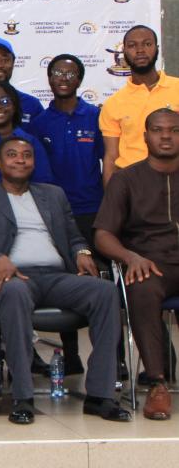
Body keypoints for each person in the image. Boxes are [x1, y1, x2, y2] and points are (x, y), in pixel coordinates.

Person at [0, 136, 130, 425]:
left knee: (104, 292)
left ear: (34, 162)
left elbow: (75, 237)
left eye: (27, 155)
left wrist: (82, 251)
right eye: (12, 155)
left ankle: (100, 395)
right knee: (13, 293)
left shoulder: (53, 194)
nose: (20, 160)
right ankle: (23, 397)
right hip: (15, 278)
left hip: (57, 276)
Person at [94, 108, 179, 420]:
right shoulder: (126, 179)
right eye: (158, 130)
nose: (166, 136)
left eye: (173, 130)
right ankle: (157, 384)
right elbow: (103, 235)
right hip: (151, 263)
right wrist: (131, 257)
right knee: (140, 286)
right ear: (145, 137)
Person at [30, 54, 104, 375]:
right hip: (55, 215)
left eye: (70, 73)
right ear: (49, 78)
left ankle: (111, 358)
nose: (63, 77)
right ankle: (70, 354)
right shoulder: (38, 124)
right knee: (65, 281)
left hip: (92, 211)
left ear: (80, 79)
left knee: (100, 282)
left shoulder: (96, 117)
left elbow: (108, 162)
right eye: (57, 72)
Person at [100, 25, 179, 185]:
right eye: (132, 45)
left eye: (147, 44)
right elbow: (111, 157)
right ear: (124, 52)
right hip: (132, 186)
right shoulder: (113, 104)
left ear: (156, 49)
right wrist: (112, 201)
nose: (140, 50)